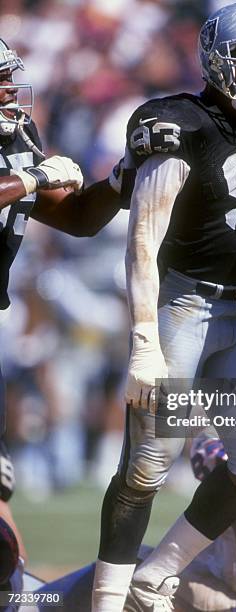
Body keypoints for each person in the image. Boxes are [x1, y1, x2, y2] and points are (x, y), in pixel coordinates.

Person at [92, 3, 236, 610]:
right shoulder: (178, 125)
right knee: (148, 464)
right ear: (218, 61)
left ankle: (156, 572)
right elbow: (142, 240)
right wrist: (143, 338)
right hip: (183, 306)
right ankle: (107, 599)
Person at [0, 37, 125, 589]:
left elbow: (75, 219)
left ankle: (17, 592)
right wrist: (31, 178)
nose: (10, 91)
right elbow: (31, 186)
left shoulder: (16, 136)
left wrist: (126, 179)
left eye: (9, 78)